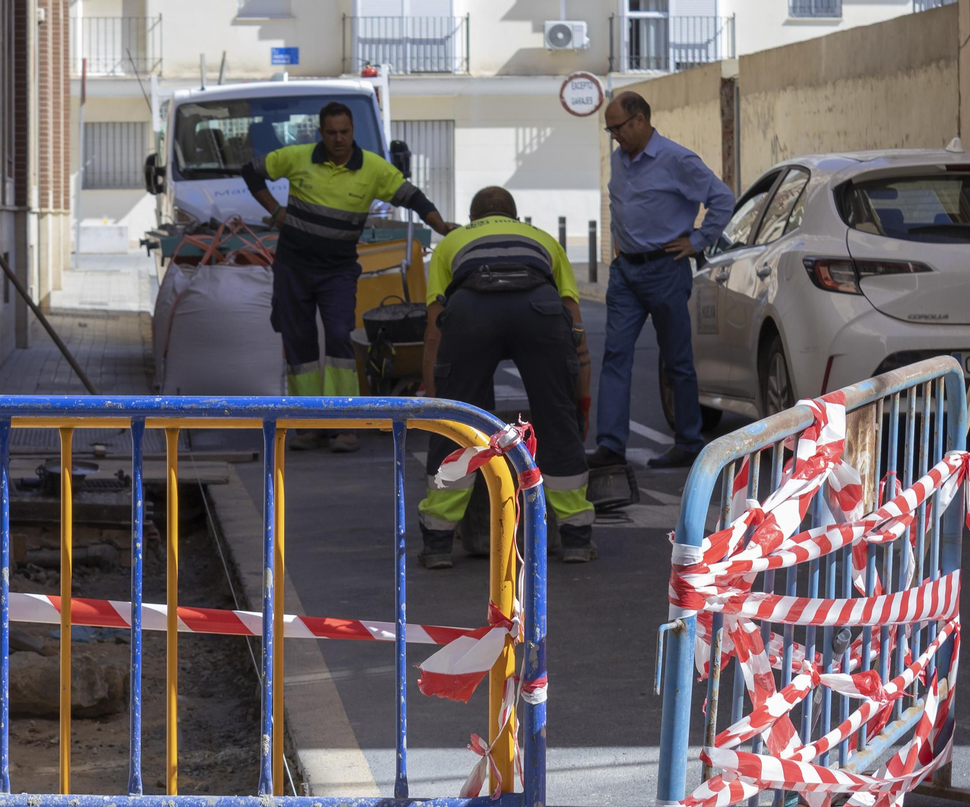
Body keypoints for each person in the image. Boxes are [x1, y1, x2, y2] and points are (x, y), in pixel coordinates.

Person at [242, 101, 455, 452]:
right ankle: (308, 425)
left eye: (344, 132)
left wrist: (441, 225)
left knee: (340, 339)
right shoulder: (297, 157)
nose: (339, 139)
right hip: (293, 267)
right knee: (299, 343)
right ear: (320, 133)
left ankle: (346, 424)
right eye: (331, 133)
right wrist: (276, 210)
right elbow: (251, 171)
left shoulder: (373, 168)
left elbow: (413, 198)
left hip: (338, 271)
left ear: (353, 131)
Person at [416, 186, 596, 567]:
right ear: (514, 218)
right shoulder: (543, 239)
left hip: (471, 311)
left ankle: (438, 543)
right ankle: (577, 538)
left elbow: (434, 333)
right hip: (539, 309)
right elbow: (575, 327)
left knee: (461, 422)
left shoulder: (450, 243)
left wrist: (437, 403)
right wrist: (578, 402)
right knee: (556, 420)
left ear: (472, 218)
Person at [595, 90, 734, 469]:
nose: (614, 137)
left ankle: (688, 442)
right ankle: (610, 445)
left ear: (640, 119)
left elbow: (722, 199)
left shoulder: (677, 159)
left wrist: (698, 241)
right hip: (625, 271)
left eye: (618, 128)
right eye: (610, 131)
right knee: (615, 355)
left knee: (677, 360)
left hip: (665, 269)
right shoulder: (619, 160)